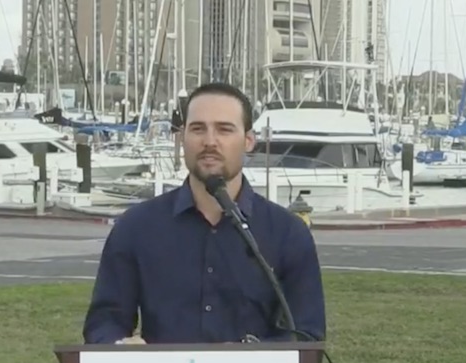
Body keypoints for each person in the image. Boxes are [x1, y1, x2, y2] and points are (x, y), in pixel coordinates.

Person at [82, 82, 326, 344]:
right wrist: (119, 346)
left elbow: (305, 338)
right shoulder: (136, 228)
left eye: (224, 129)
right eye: (198, 129)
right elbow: (103, 324)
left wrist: (247, 359)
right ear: (181, 137)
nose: (210, 141)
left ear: (249, 141)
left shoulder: (287, 234)